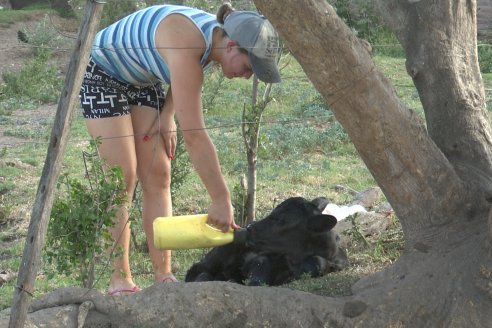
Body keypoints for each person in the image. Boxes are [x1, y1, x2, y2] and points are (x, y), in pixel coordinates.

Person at [79, 3, 281, 296]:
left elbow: (182, 71)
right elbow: (196, 136)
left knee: (159, 173)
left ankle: (163, 276)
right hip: (102, 71)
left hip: (142, 76)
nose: (248, 76)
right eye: (249, 67)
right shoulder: (191, 41)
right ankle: (119, 279)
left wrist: (168, 112)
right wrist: (220, 198)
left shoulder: (212, 43)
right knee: (123, 176)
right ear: (233, 46)